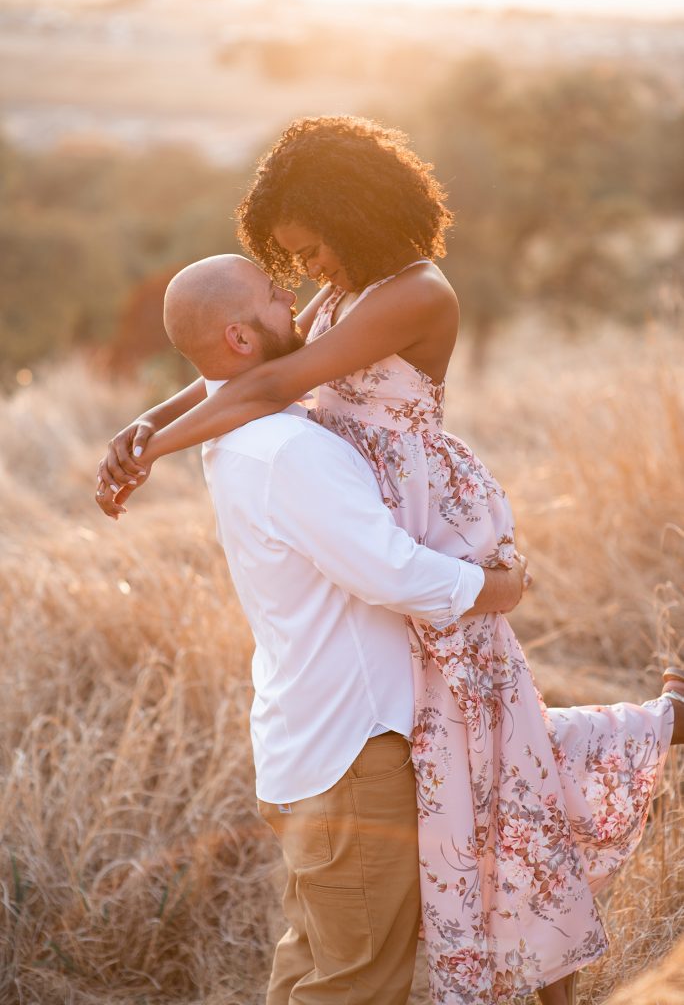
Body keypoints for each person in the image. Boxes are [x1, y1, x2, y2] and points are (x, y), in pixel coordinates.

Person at [96, 118, 684, 1005]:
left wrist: (150, 448)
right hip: (375, 525)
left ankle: (550, 959)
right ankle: (663, 727)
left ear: (352, 212)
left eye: (313, 247)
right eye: (289, 260)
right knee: (483, 759)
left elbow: (265, 381)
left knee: (492, 763)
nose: (309, 272)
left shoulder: (416, 293)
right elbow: (238, 370)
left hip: (422, 522)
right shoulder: (345, 293)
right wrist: (147, 424)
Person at [158, 253, 529, 1003]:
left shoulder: (244, 435)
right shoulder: (291, 449)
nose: (291, 298)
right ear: (239, 338)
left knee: (313, 968)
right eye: (272, 296)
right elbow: (390, 571)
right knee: (357, 985)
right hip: (352, 759)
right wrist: (496, 589)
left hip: (308, 746)